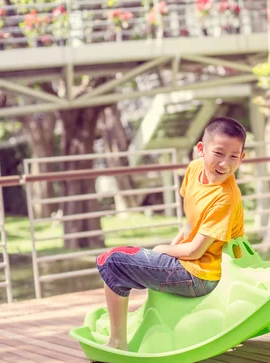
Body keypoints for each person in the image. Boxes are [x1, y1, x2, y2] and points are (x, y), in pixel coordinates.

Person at [96, 117, 246, 350]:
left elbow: (196, 250)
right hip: (189, 262)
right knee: (118, 260)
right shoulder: (194, 170)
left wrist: (162, 251)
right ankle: (117, 336)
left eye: (233, 156)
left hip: (203, 276)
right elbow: (192, 222)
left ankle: (117, 342)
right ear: (200, 150)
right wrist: (171, 247)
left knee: (112, 260)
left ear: (242, 158)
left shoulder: (225, 197)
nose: (225, 164)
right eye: (219, 153)